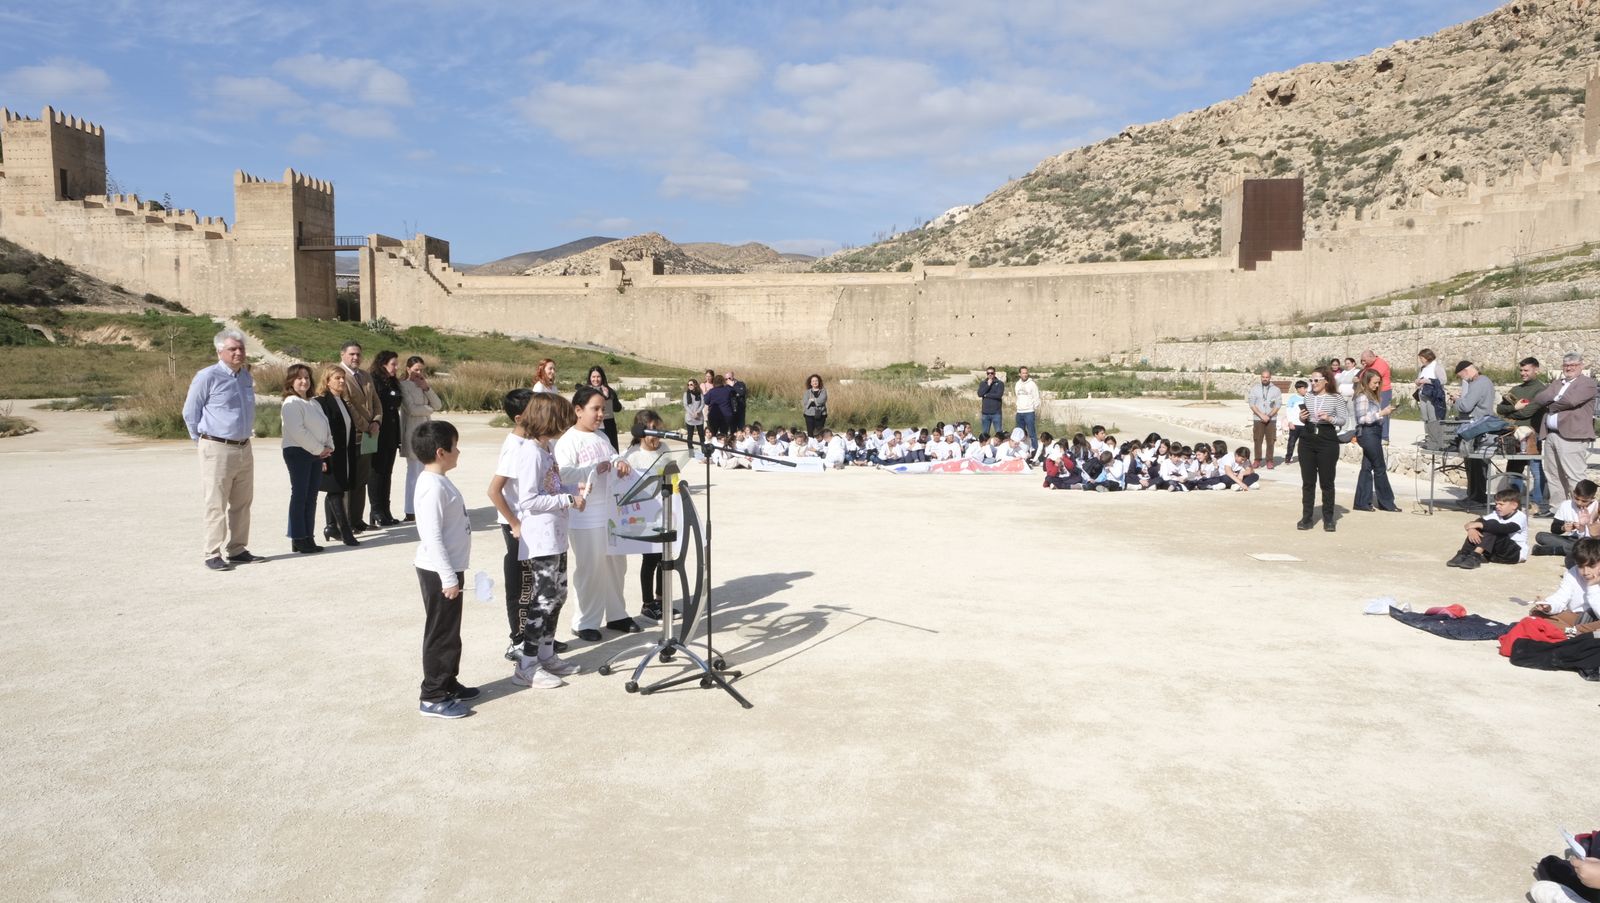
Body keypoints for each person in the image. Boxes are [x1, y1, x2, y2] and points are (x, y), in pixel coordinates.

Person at [499, 393, 586, 689]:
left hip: (557, 534)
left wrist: (573, 489)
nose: (567, 424)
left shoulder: (546, 449)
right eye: (563, 418)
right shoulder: (530, 452)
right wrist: (567, 498)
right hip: (541, 537)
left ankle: (546, 654)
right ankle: (527, 664)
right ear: (551, 419)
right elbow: (529, 500)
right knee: (544, 598)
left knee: (558, 594)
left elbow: (552, 486)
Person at [556, 386, 636, 641]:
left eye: (603, 409)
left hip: (610, 513)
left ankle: (616, 614)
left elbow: (614, 459)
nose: (601, 414)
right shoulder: (568, 440)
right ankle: (585, 621)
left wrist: (621, 463)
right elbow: (563, 474)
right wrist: (593, 469)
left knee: (616, 565)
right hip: (585, 516)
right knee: (590, 568)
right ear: (578, 410)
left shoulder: (602, 437)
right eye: (595, 409)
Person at [411, 419, 477, 719]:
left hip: (449, 569)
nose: (458, 451)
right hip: (440, 572)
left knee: (451, 631)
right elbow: (431, 536)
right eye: (455, 446)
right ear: (441, 452)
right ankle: (433, 695)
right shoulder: (431, 487)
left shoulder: (439, 481)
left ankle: (448, 682)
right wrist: (448, 577)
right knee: (441, 633)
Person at [182, 328, 259, 571]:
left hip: (244, 447)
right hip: (217, 447)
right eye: (232, 349)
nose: (238, 353)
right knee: (216, 502)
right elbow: (190, 413)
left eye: (241, 349)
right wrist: (203, 442)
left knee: (242, 502)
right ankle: (212, 552)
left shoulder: (245, 376)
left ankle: (237, 549)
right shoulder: (207, 376)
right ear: (219, 351)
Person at [623, 410, 676, 621]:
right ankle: (647, 603)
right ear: (641, 432)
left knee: (666, 557)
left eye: (658, 429)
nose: (657, 435)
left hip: (665, 509)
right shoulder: (632, 456)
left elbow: (673, 473)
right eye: (652, 430)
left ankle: (662, 600)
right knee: (650, 559)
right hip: (644, 515)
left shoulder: (664, 448)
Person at [1534, 352, 1598, 510]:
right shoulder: (1558, 383)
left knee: (1574, 475)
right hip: (1551, 434)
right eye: (1566, 365)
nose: (1569, 368)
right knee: (1553, 474)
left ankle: (1582, 510)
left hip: (1572, 436)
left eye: (1573, 365)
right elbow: (1540, 398)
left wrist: (1551, 402)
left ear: (1581, 366)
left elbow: (1571, 400)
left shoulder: (1587, 383)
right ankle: (1557, 509)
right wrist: (1556, 398)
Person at [279, 363, 331, 555]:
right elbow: (298, 432)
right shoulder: (290, 403)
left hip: (315, 453)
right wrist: (319, 449)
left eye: (307, 377)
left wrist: (328, 446)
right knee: (300, 496)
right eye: (299, 378)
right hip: (298, 452)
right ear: (291, 381)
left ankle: (308, 536)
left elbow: (324, 426)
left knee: (311, 497)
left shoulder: (314, 402)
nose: (304, 381)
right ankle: (298, 538)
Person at [1296, 366, 1349, 531]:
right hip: (1308, 436)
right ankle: (1306, 518)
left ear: (1326, 380)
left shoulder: (1336, 397)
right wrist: (1302, 417)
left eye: (1316, 380)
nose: (1313, 383)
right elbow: (1306, 417)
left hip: (1327, 437)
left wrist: (1329, 418)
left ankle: (1328, 519)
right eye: (1311, 380)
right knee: (1308, 482)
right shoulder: (1309, 396)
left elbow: (1343, 420)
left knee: (1327, 482)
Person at [337, 341, 382, 533]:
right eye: (352, 354)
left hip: (369, 436)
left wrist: (377, 421)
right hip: (351, 435)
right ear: (342, 355)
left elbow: (376, 402)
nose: (355, 358)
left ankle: (357, 520)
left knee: (362, 479)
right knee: (347, 481)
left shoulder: (365, 375)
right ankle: (343, 522)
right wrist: (366, 426)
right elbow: (348, 405)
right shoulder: (339, 375)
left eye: (358, 354)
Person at [1497, 356, 1549, 516]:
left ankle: (1539, 504)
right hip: (1514, 436)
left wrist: (1512, 410)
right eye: (1521, 370)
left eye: (1526, 370)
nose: (1523, 373)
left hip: (1532, 436)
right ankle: (1514, 504)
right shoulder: (1516, 389)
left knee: (1536, 470)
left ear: (1536, 370)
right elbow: (1499, 408)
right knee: (1513, 471)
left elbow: (1528, 412)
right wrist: (1515, 406)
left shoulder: (1541, 390)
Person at [315, 365, 360, 547]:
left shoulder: (342, 400)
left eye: (343, 378)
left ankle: (331, 527)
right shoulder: (321, 402)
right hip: (331, 453)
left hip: (345, 453)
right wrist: (323, 457)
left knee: (338, 488)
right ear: (327, 381)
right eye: (337, 378)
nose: (341, 381)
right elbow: (320, 431)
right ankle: (345, 530)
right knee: (335, 490)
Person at [398, 355, 442, 521]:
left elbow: (438, 405)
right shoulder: (403, 385)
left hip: (427, 434)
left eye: (421, 370)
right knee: (413, 472)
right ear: (408, 369)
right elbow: (412, 409)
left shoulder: (423, 385)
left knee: (427, 472)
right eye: (416, 369)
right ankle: (410, 510)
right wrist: (429, 409)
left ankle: (424, 507)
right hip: (412, 433)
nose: (419, 372)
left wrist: (426, 388)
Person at [1450, 360, 1497, 509]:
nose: (1463, 379)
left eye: (1461, 376)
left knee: (1476, 464)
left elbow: (1466, 406)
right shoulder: (1484, 381)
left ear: (1466, 371)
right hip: (1479, 426)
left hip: (1477, 428)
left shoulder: (1479, 383)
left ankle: (1478, 498)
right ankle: (1474, 496)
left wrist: (1456, 400)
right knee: (1473, 464)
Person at [1352, 368, 1400, 513]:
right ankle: (1387, 502)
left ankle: (1362, 502)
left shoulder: (1371, 396)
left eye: (1379, 383)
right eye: (1375, 382)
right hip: (1368, 433)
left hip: (1373, 433)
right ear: (1367, 381)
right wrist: (1381, 413)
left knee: (1367, 468)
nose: (1377, 386)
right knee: (1379, 467)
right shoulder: (1362, 396)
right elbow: (1362, 419)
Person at [1445, 487, 1527, 569]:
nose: (1497, 507)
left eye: (1501, 504)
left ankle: (1475, 556)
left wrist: (1479, 525)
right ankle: (1464, 553)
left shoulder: (1520, 517)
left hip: (1513, 554)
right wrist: (1472, 529)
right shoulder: (1496, 514)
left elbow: (1505, 528)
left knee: (1492, 525)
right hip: (1494, 555)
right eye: (1496, 504)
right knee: (1484, 525)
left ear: (1514, 505)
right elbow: (1476, 522)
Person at [1530, 538, 1600, 633]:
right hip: (1575, 618)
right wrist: (1548, 606)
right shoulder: (1573, 573)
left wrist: (1592, 587)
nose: (1586, 572)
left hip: (1595, 622)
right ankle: (1572, 634)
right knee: (1536, 612)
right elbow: (1561, 598)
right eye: (1581, 566)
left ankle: (1569, 634)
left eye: (1591, 566)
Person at [366, 350, 403, 527]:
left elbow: (396, 400)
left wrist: (392, 397)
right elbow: (381, 401)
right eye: (393, 364)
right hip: (377, 432)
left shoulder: (392, 381)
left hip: (392, 433)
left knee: (387, 473)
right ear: (383, 365)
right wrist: (391, 397)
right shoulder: (374, 380)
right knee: (376, 472)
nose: (396, 368)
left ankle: (385, 510)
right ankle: (376, 510)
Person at [1533, 480, 1598, 562]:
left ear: (1592, 499)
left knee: (1590, 548)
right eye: (1576, 499)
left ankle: (1556, 550)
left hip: (1591, 542)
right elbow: (1554, 529)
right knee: (1541, 536)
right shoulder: (1566, 505)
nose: (1579, 503)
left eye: (1584, 501)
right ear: (1574, 493)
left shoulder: (1597, 508)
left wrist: (1585, 526)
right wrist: (1563, 528)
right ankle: (1570, 550)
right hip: (1572, 540)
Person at [1414, 348, 1448, 450]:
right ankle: (1429, 439)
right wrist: (1418, 381)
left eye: (1422, 357)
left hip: (1433, 396)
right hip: (1423, 395)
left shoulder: (1437, 367)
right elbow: (1421, 379)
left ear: (1427, 356)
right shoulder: (1423, 368)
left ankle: (1436, 441)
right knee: (1426, 418)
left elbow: (1443, 380)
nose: (1421, 360)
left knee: (1433, 418)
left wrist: (1427, 381)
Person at [584, 365, 625, 450]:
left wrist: (608, 397)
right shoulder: (585, 391)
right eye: (593, 377)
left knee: (609, 452)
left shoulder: (608, 390)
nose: (596, 379)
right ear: (590, 378)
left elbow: (618, 408)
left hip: (607, 428)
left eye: (598, 377)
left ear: (602, 377)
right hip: (591, 427)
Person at [1247, 369, 1281, 468]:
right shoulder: (1255, 389)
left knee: (1271, 440)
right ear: (1260, 377)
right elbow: (1252, 404)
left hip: (1271, 418)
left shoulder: (1276, 389)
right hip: (1258, 418)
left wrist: (1269, 416)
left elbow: (1278, 405)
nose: (1265, 379)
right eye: (1263, 377)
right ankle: (1257, 459)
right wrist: (1261, 415)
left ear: (1270, 378)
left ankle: (1269, 460)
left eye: (1267, 377)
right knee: (1257, 440)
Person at [1359, 349, 1394, 442]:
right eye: (1362, 360)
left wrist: (1363, 375)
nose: (1363, 362)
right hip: (1374, 392)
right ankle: (1376, 434)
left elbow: (1371, 377)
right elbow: (1361, 376)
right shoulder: (1368, 365)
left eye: (1364, 360)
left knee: (1384, 413)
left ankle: (1384, 436)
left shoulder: (1381, 364)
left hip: (1383, 391)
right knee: (1374, 413)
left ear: (1371, 357)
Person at [1012, 366, 1040, 451]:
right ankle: (1021, 450)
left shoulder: (1032, 384)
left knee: (1032, 433)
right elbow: (1017, 396)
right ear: (1019, 374)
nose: (1025, 374)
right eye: (1023, 373)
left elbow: (1036, 397)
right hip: (1020, 412)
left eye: (1026, 373)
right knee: (1019, 433)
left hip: (1029, 412)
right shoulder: (1017, 384)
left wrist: (1033, 407)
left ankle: (1034, 450)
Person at [1281, 379, 1306, 464]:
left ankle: (1303, 458)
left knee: (1303, 444)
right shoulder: (1293, 398)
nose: (1305, 390)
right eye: (1304, 388)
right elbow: (1288, 411)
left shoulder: (1308, 398)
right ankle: (1288, 457)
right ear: (1298, 389)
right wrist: (1290, 422)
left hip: (1305, 425)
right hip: (1295, 425)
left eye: (1306, 388)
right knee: (1292, 442)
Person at [977, 367, 1004, 437]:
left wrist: (986, 394)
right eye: (988, 373)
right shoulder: (983, 383)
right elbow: (980, 394)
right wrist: (988, 385)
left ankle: (1000, 447)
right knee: (985, 434)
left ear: (994, 374)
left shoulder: (1000, 383)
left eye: (992, 373)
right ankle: (985, 447)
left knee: (999, 434)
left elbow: (998, 395)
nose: (990, 375)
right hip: (985, 413)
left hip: (996, 413)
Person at [683, 377, 707, 448]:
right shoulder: (686, 394)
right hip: (690, 418)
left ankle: (704, 451)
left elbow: (702, 404)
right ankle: (691, 452)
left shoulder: (700, 393)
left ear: (695, 385)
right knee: (690, 435)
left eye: (691, 384)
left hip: (699, 418)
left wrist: (697, 412)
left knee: (701, 435)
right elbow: (685, 405)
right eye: (688, 384)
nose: (689, 386)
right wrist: (692, 413)